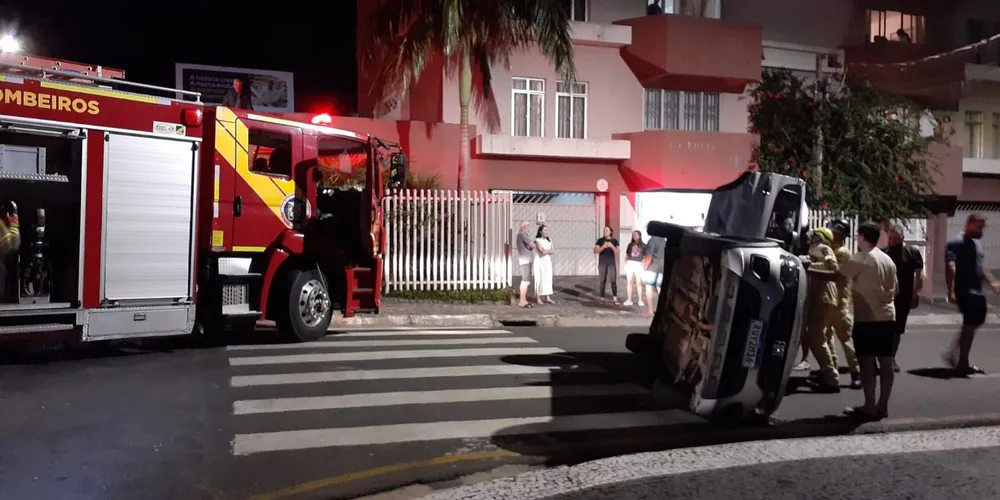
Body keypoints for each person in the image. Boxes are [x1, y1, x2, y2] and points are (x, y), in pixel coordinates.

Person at [819, 222, 897, 420]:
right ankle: (883, 406)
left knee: (867, 363)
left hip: (867, 317)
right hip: (888, 316)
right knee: (886, 364)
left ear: (862, 237)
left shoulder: (861, 258)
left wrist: (811, 268)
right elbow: (896, 289)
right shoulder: (887, 260)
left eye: (858, 236)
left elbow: (838, 276)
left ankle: (869, 406)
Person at [943, 213, 1000, 376]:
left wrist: (992, 281)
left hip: (977, 291)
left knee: (974, 323)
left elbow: (980, 266)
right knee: (970, 324)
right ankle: (962, 362)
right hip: (965, 290)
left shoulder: (976, 243)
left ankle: (955, 355)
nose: (983, 230)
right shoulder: (956, 243)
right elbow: (950, 267)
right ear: (969, 224)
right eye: (980, 226)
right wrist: (950, 290)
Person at [799, 227, 841, 393]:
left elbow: (833, 268)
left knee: (817, 337)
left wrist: (810, 266)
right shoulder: (813, 250)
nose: (811, 236)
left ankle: (831, 379)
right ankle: (828, 373)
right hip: (818, 298)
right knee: (816, 337)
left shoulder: (825, 248)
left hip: (825, 297)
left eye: (814, 234)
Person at [826, 219, 862, 389]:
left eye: (834, 231)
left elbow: (835, 273)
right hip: (829, 300)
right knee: (827, 337)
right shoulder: (831, 250)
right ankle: (831, 372)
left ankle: (857, 373)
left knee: (846, 339)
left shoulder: (842, 252)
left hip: (840, 302)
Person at [885, 223, 924, 373]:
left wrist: (916, 293)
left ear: (902, 237)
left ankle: (891, 358)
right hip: (886, 296)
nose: (891, 241)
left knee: (897, 329)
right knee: (884, 328)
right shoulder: (883, 253)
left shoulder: (912, 253)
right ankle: (882, 357)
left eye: (894, 238)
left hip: (904, 296)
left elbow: (920, 275)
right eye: (889, 238)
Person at [641, 234, 666, 317]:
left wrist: (645, 266)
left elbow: (649, 256)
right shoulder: (663, 241)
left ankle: (650, 310)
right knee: (659, 288)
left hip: (653, 266)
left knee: (648, 286)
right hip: (662, 266)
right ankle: (663, 309)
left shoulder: (652, 241)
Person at [594, 226, 620, 304]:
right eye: (604, 230)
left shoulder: (614, 241)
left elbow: (618, 252)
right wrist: (603, 246)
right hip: (602, 262)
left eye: (607, 230)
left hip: (611, 263)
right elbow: (595, 251)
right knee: (602, 280)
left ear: (611, 232)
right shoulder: (600, 240)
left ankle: (615, 298)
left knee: (613, 280)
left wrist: (611, 246)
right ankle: (602, 298)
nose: (605, 231)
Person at [533, 225, 555, 305]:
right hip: (540, 261)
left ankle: (547, 297)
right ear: (540, 232)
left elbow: (553, 251)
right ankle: (538, 297)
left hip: (547, 261)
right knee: (540, 278)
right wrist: (547, 251)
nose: (546, 232)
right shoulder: (537, 240)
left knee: (548, 278)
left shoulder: (549, 240)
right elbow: (541, 250)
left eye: (547, 230)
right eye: (544, 230)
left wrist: (547, 251)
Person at [516, 221, 536, 308]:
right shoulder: (522, 234)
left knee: (527, 281)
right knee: (525, 281)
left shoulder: (524, 234)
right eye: (528, 225)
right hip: (525, 260)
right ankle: (522, 301)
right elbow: (532, 245)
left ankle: (524, 300)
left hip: (527, 259)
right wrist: (536, 243)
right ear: (524, 226)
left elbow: (529, 246)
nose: (529, 227)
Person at [623, 231, 646, 307]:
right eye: (633, 235)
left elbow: (647, 255)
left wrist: (643, 262)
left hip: (638, 264)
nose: (634, 236)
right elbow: (627, 255)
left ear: (639, 236)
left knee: (639, 283)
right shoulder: (630, 245)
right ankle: (629, 300)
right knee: (629, 282)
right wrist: (626, 261)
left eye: (636, 235)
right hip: (630, 263)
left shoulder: (643, 245)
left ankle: (640, 300)